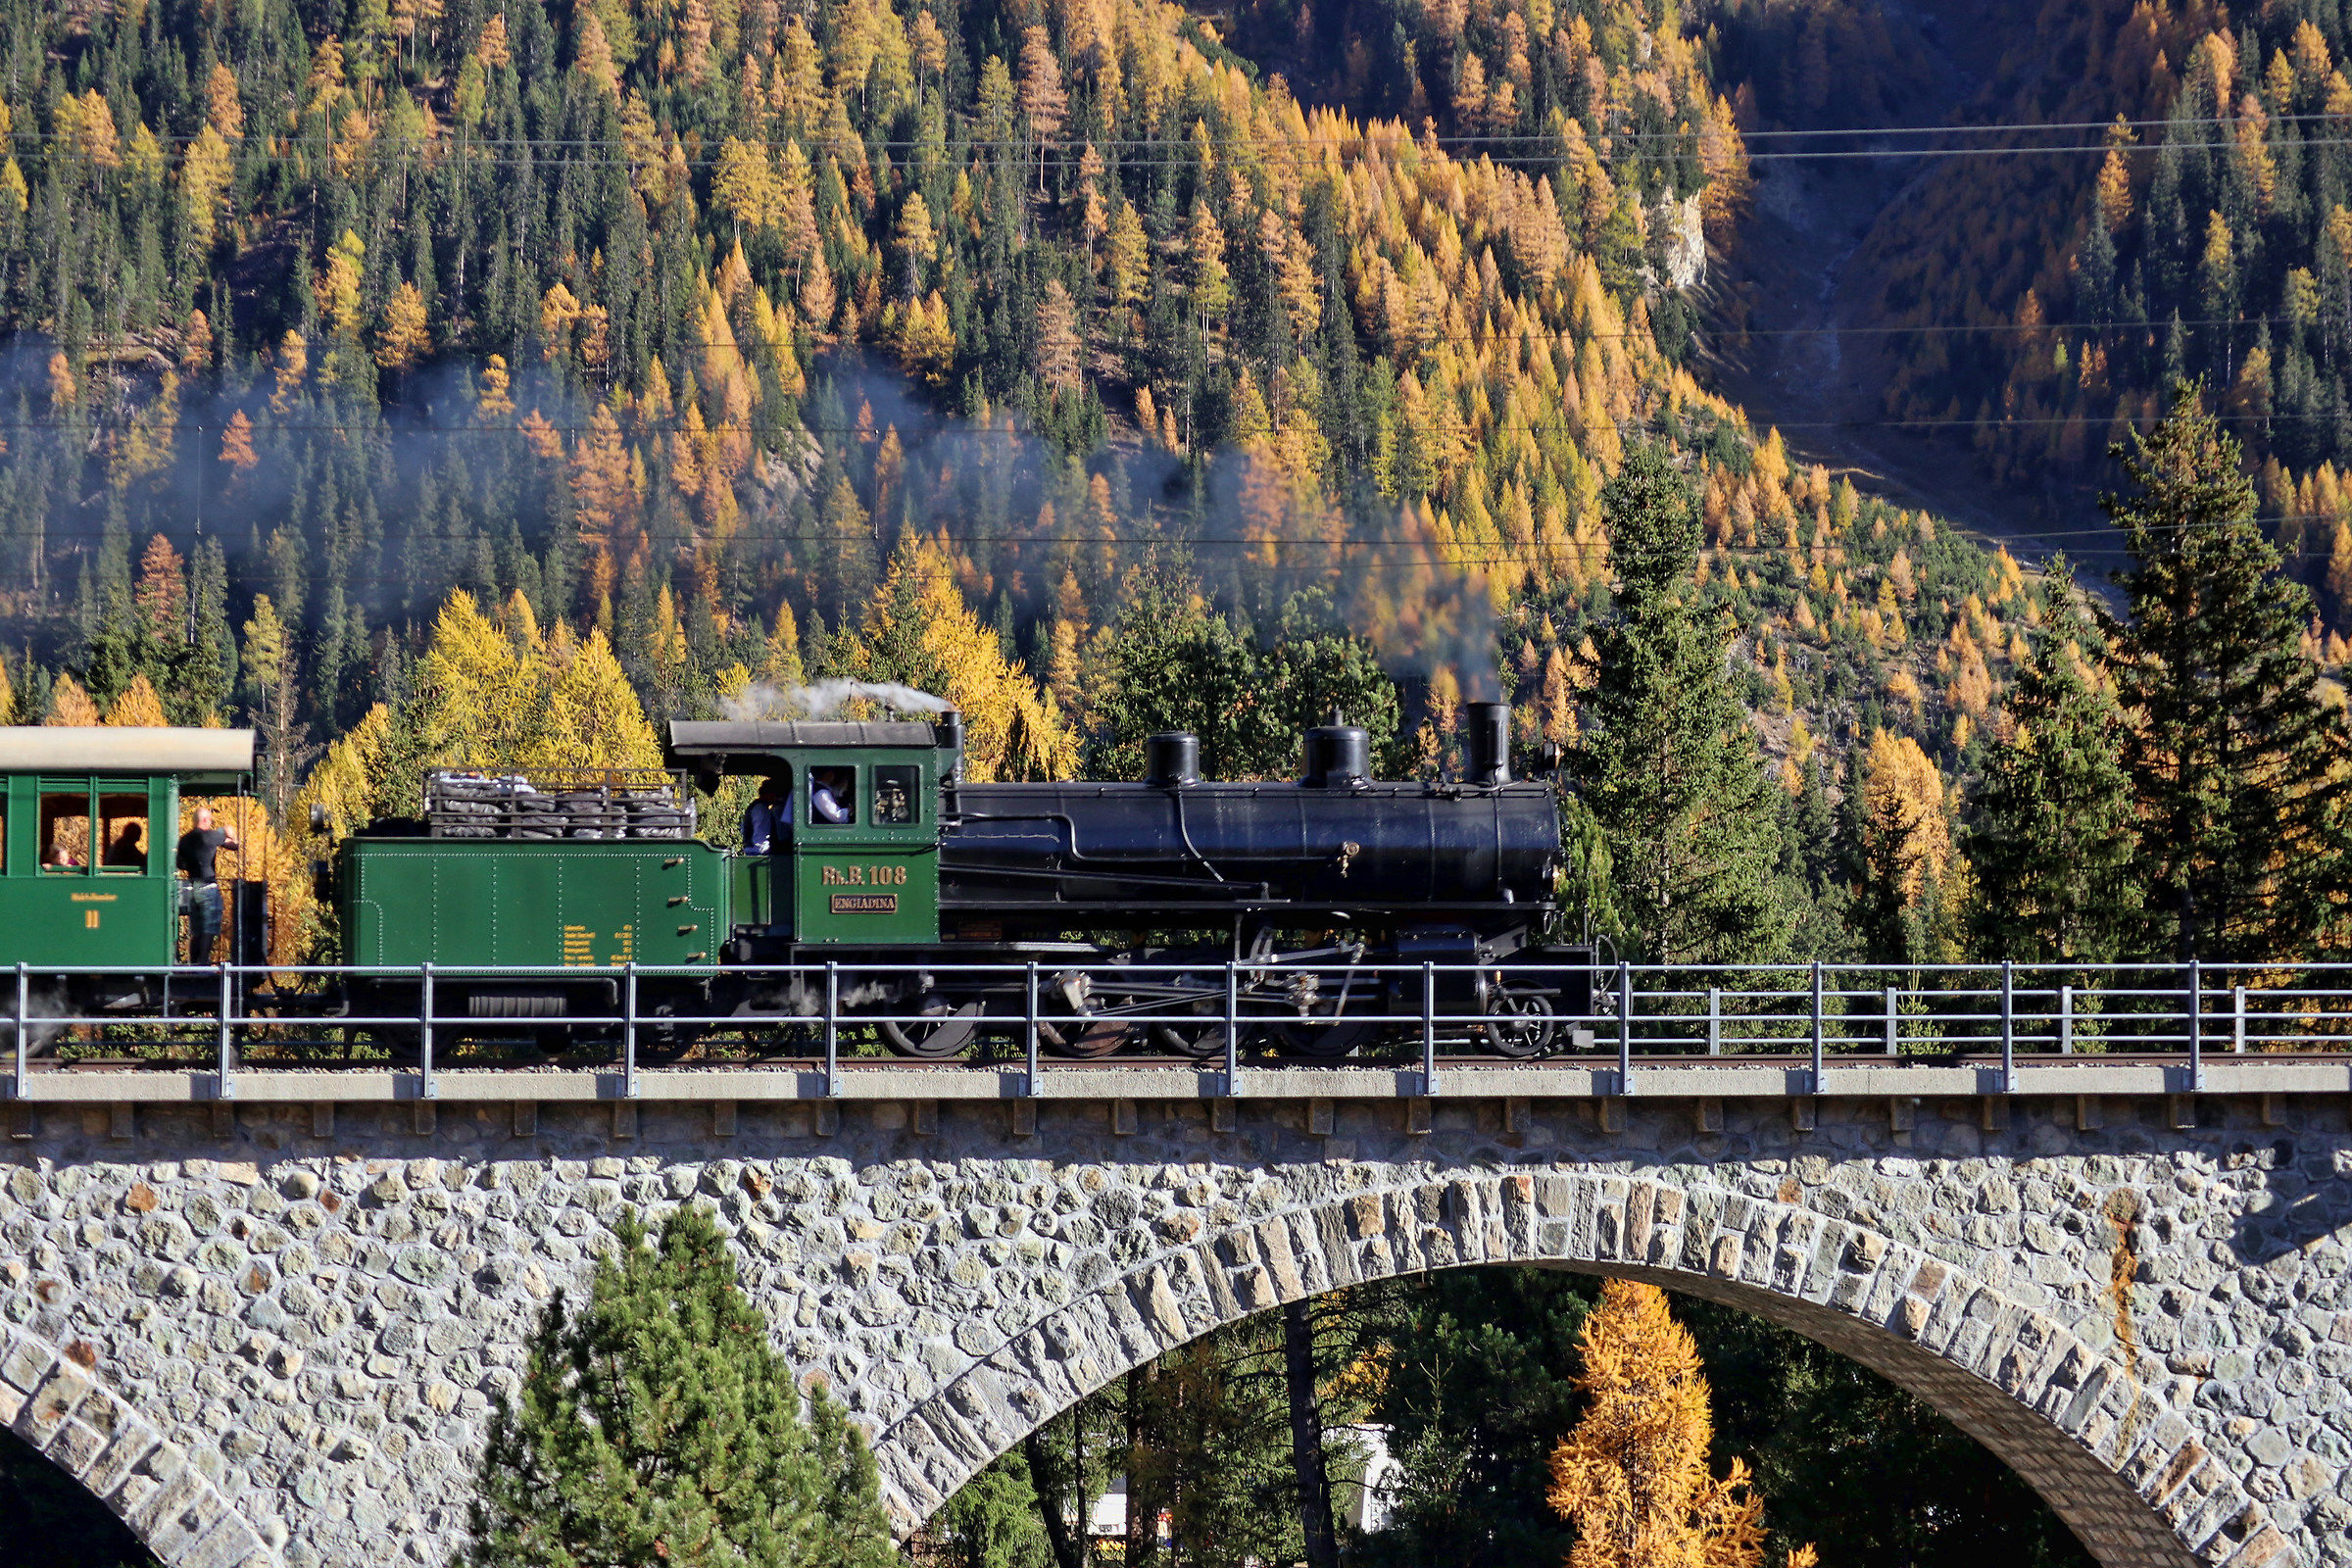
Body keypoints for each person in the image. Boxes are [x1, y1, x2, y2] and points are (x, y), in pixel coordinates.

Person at [176, 808, 240, 963]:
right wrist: (230, 833)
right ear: (204, 820)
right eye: (210, 820)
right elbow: (235, 845)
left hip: (192, 887)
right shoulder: (212, 836)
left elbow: (179, 863)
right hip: (208, 887)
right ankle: (203, 961)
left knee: (196, 930)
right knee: (209, 928)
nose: (211, 823)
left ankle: (193, 964)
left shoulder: (184, 839)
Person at [740, 776, 788, 855]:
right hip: (758, 853)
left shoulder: (754, 806)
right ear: (769, 794)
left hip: (752, 850)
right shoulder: (761, 810)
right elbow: (761, 837)